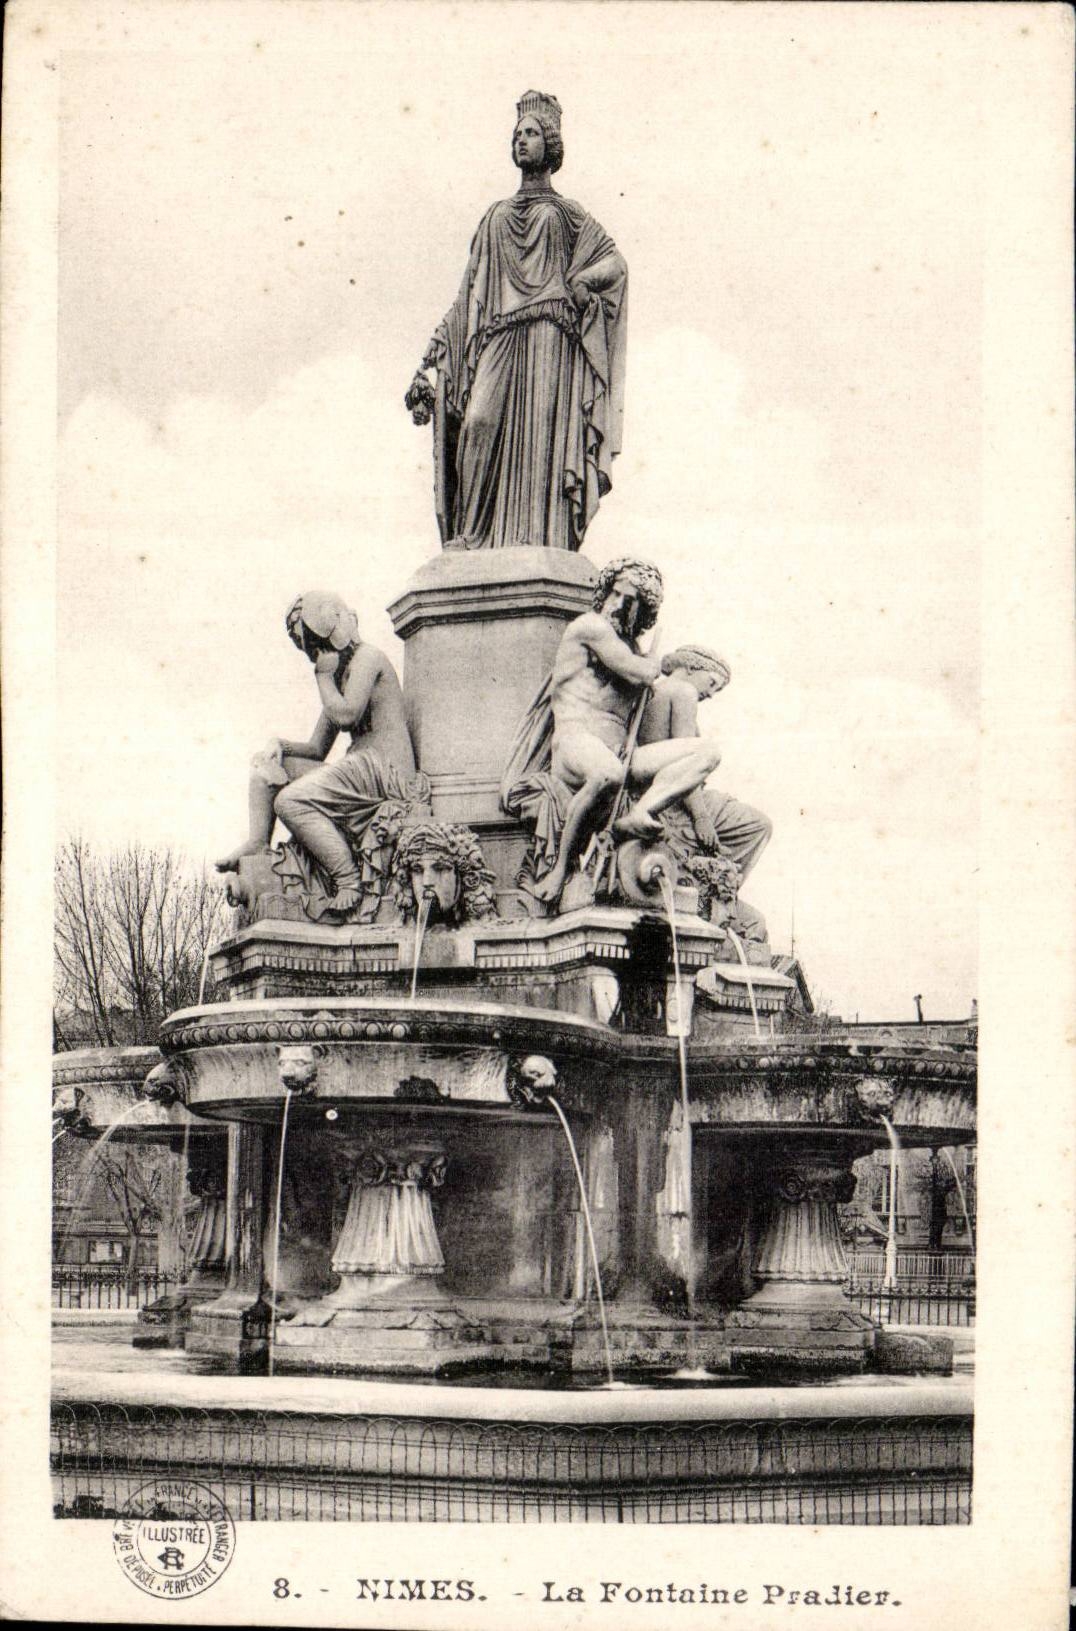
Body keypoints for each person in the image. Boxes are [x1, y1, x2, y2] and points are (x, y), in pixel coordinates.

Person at [406, 91, 627, 551]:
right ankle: (469, 534)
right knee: (478, 422)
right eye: (517, 135)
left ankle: (538, 538)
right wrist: (429, 359)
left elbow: (616, 266)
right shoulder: (495, 217)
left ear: (550, 143)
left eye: (531, 134)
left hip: (549, 336)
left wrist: (584, 279)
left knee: (541, 448)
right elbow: (467, 297)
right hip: (498, 336)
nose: (521, 141)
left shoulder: (568, 215)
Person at [517, 558, 723, 904]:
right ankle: (560, 868)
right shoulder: (589, 627)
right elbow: (636, 673)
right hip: (575, 743)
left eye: (629, 602)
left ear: (642, 612)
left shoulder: (632, 647)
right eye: (614, 593)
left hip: (621, 754)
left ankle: (641, 811)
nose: (617, 605)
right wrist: (661, 665)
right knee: (607, 773)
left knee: (707, 753)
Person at [215, 592, 424, 916]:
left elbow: (346, 716)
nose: (315, 654)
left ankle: (349, 880)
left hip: (384, 769)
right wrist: (279, 747)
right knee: (267, 768)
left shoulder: (368, 658)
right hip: (359, 766)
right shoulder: (341, 673)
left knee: (290, 801)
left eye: (316, 644)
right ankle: (258, 842)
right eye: (310, 648)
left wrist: (323, 678)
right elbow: (317, 748)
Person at [638, 645, 773, 883]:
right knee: (758, 825)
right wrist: (701, 818)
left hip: (664, 791)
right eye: (712, 683)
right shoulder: (683, 691)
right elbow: (686, 766)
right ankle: (716, 891)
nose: (711, 694)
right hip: (678, 799)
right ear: (690, 667)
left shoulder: (656, 691)